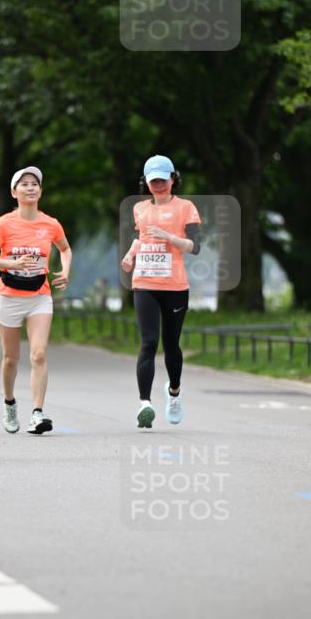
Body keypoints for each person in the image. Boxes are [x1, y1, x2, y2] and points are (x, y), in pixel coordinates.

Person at [0, 167, 72, 434]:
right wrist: (12, 262)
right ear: (14, 192)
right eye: (24, 184)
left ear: (40, 191)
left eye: (35, 184)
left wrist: (65, 270)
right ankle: (9, 403)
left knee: (39, 354)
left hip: (39, 296)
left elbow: (65, 249)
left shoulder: (51, 224)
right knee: (11, 358)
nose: (31, 188)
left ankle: (37, 412)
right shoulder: (2, 224)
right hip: (8, 296)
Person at [121, 155, 202, 428]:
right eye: (153, 181)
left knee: (171, 345)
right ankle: (145, 404)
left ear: (173, 179)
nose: (158, 185)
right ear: (146, 182)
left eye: (163, 180)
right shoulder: (140, 209)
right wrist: (130, 255)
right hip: (144, 283)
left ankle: (174, 391)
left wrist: (168, 236)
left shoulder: (186, 208)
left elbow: (195, 246)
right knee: (148, 342)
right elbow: (140, 239)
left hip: (175, 286)